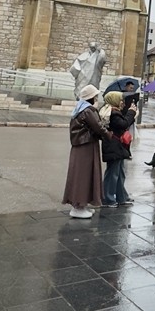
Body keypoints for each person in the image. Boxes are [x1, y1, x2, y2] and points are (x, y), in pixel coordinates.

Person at [64, 85, 111, 218]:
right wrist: (109, 135)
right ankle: (78, 207)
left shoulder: (79, 109)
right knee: (83, 175)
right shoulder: (88, 110)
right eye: (95, 96)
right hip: (86, 145)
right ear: (90, 98)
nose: (97, 98)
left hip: (80, 145)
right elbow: (98, 127)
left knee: (80, 174)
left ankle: (80, 205)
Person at [100, 92, 135, 208]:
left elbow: (125, 122)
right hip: (113, 146)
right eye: (120, 100)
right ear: (114, 100)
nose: (122, 103)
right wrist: (131, 113)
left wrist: (131, 114)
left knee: (120, 173)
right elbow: (124, 124)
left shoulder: (113, 111)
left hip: (116, 146)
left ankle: (121, 197)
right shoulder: (113, 113)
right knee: (112, 173)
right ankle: (107, 198)